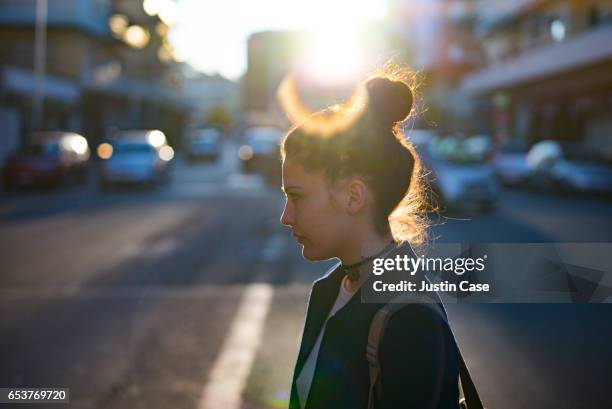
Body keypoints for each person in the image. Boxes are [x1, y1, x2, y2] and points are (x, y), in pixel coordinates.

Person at [279, 71, 460, 409]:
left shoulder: (413, 321)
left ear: (353, 197)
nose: (285, 216)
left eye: (297, 197)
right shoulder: (328, 290)